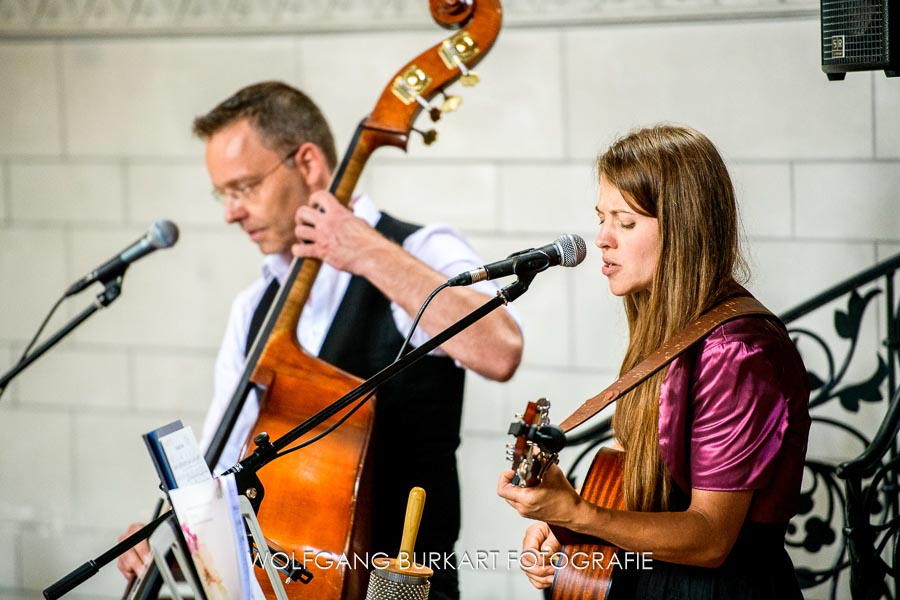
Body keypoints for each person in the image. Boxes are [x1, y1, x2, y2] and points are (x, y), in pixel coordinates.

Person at [116, 81, 523, 600]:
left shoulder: (420, 248)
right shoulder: (255, 303)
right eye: (224, 194)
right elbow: (221, 468)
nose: (230, 212)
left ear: (307, 164)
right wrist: (172, 538)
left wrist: (365, 252)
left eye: (244, 187)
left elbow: (499, 348)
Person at [497, 124, 810, 599]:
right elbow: (638, 465)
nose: (601, 238)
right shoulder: (664, 328)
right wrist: (567, 525)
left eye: (625, 222)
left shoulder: (739, 352)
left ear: (683, 230)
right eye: (601, 217)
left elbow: (710, 539)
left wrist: (581, 515)